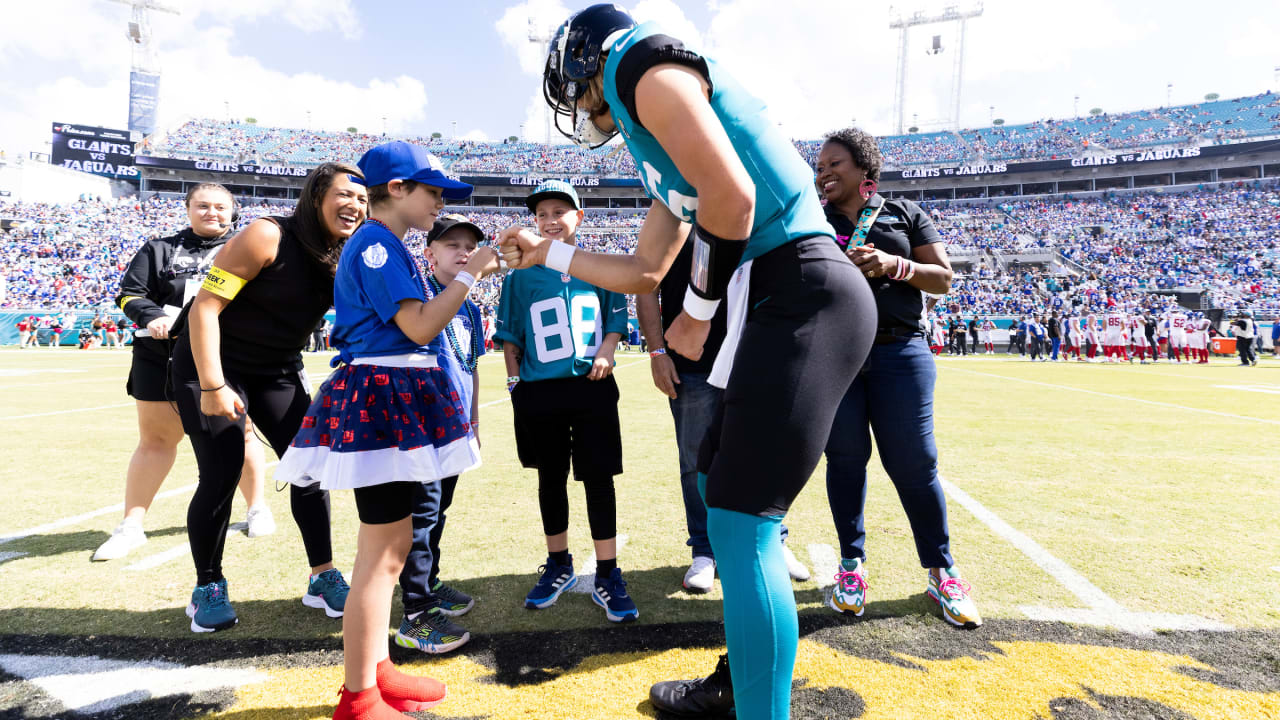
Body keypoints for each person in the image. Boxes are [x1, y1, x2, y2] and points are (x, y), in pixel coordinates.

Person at [503, 7, 875, 718]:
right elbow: (646, 270)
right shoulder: (651, 138)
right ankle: (744, 674)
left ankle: (757, 707)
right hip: (772, 296)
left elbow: (732, 201)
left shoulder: (637, 63)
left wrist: (698, 311)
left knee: (742, 520)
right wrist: (547, 252)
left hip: (801, 288)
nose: (577, 106)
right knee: (712, 475)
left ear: (585, 59)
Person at [274, 142, 499, 719]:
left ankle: (376, 671)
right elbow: (420, 326)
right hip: (380, 398)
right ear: (396, 188)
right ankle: (358, 697)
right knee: (380, 556)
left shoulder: (385, 243)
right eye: (433, 192)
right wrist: (471, 274)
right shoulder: (376, 244)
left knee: (393, 547)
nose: (441, 204)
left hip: (392, 395)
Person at [171, 163, 365, 633]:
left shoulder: (346, 250)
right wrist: (214, 386)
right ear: (316, 195)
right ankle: (208, 586)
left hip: (276, 370)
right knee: (221, 470)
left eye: (363, 199)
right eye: (344, 194)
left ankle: (322, 576)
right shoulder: (266, 235)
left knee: (309, 466)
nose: (355, 206)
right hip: (213, 366)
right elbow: (206, 307)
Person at [816, 127, 981, 631]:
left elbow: (944, 279)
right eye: (819, 167)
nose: (823, 173)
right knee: (845, 460)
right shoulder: (811, 219)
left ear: (864, 168)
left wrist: (894, 265)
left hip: (899, 350)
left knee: (915, 463)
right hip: (838, 355)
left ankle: (942, 571)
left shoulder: (904, 213)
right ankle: (851, 566)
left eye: (833, 164)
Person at [93, 183, 271, 563]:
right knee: (156, 439)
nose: (212, 213)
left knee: (241, 434)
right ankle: (131, 526)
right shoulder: (158, 249)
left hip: (228, 358)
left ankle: (257, 509)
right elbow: (129, 293)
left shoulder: (249, 247)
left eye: (220, 207)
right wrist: (152, 315)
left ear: (233, 210)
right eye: (202, 206)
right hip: (160, 355)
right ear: (188, 209)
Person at [495, 180, 637, 623]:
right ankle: (558, 562)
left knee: (598, 478)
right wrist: (515, 381)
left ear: (579, 217)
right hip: (540, 389)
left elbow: (616, 316)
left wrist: (607, 351)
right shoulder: (519, 275)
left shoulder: (598, 265)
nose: (550, 220)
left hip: (591, 385)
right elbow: (511, 335)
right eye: (541, 215)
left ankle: (609, 573)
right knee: (550, 477)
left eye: (560, 211)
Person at [636, 238, 811, 594]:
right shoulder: (673, 219)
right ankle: (704, 550)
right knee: (695, 461)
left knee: (764, 457)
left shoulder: (749, 211)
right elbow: (645, 285)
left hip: (753, 356)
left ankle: (772, 541)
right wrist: (656, 351)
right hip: (691, 363)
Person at [394, 214, 489, 656]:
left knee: (440, 508)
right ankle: (416, 608)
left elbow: (471, 366)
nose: (464, 251)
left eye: (470, 244)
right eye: (452, 244)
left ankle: (429, 581)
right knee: (421, 512)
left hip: (454, 425)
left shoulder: (468, 305)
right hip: (423, 425)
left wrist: (473, 421)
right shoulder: (419, 294)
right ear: (429, 254)